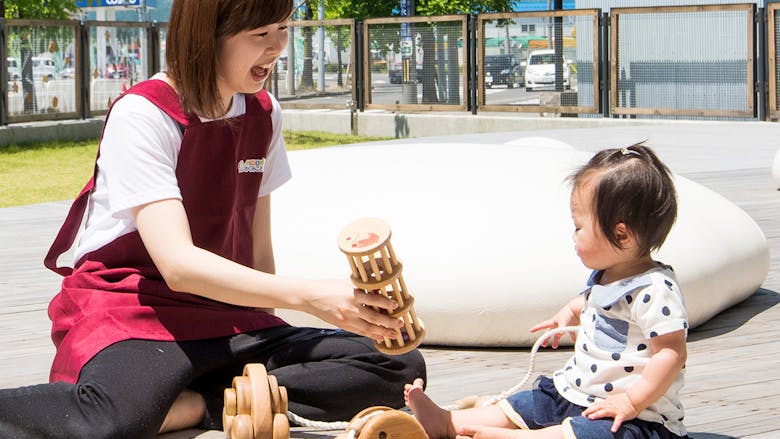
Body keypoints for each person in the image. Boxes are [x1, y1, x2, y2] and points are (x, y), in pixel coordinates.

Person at [0, 1, 425, 437]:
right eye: (260, 34)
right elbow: (179, 266)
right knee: (112, 417)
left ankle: (196, 405)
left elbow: (258, 248)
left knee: (398, 365)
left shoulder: (263, 113)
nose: (277, 46)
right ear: (208, 34)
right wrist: (312, 297)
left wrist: (267, 332)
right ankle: (197, 400)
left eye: (283, 27)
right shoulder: (145, 114)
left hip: (228, 317)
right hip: (139, 312)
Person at [404, 144, 688, 439]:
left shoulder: (656, 290)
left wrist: (630, 401)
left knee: (595, 434)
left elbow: (671, 352)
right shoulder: (608, 275)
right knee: (530, 404)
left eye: (579, 227)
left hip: (635, 419)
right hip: (576, 395)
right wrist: (570, 310)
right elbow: (595, 302)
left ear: (621, 235)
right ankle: (449, 422)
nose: (573, 235)